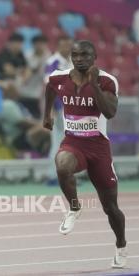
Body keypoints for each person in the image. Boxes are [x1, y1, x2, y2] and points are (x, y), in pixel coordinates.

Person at [43, 40, 127, 268]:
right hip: (73, 143)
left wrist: (94, 86)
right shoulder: (59, 77)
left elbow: (109, 112)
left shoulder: (108, 81)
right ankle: (74, 207)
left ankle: (121, 245)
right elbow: (50, 88)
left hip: (98, 148)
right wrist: (48, 115)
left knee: (111, 208)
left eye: (84, 55)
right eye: (75, 55)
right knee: (61, 165)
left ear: (94, 56)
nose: (79, 59)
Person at [45, 35, 74, 186]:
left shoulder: (72, 61)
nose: (67, 48)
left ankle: (67, 176)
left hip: (72, 107)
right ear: (57, 46)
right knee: (58, 142)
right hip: (59, 108)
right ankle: (52, 176)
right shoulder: (53, 62)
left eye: (69, 45)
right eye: (64, 45)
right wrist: (52, 108)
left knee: (70, 144)